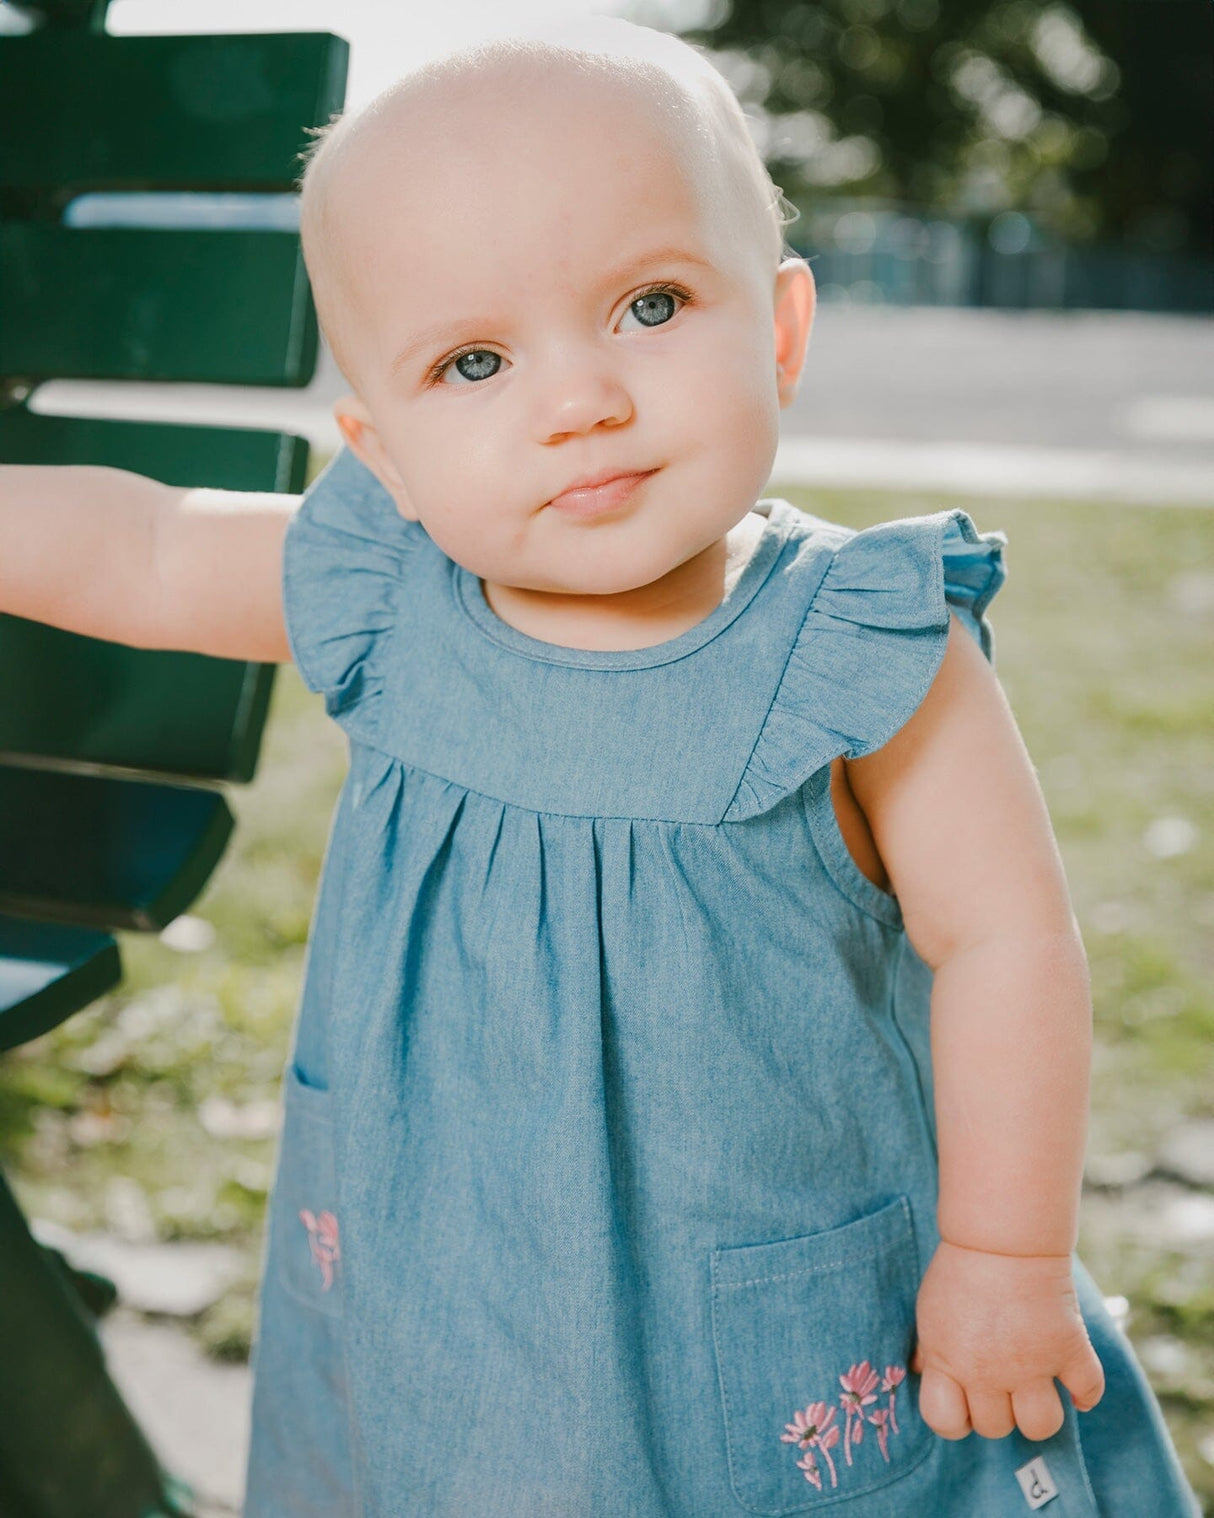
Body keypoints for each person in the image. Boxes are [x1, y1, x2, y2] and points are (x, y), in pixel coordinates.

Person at [0, 18, 1198, 1517]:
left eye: (646, 303)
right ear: (385, 452)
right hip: (446, 1286)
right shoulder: (391, 593)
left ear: (777, 330)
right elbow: (153, 547)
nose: (577, 400)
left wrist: (1006, 1258)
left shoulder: (860, 647)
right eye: (476, 359)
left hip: (763, 1313)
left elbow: (1006, 944)